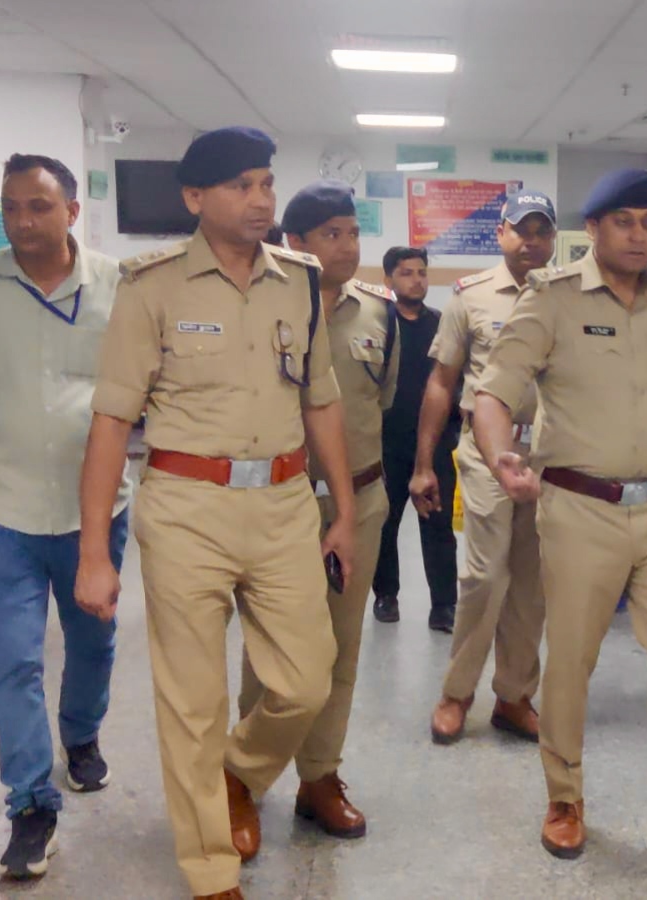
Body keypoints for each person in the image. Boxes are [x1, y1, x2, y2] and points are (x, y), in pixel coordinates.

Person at [73, 126, 358, 900]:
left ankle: (237, 772)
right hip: (186, 508)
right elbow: (111, 421)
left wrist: (342, 510)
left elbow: (322, 400)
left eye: (266, 183)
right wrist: (94, 553)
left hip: (284, 504)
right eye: (242, 186)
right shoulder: (151, 286)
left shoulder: (299, 281)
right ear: (195, 198)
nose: (261, 199)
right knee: (192, 701)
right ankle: (209, 868)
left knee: (305, 680)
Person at [471, 168, 647, 879]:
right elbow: (492, 395)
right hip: (579, 508)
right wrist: (501, 458)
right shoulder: (551, 298)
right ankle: (564, 798)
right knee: (573, 663)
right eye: (624, 222)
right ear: (591, 229)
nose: (639, 235)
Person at [0, 153, 131, 881]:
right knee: (14, 659)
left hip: (94, 510)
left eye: (38, 206)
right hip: (3, 507)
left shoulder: (117, 285)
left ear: (71, 211)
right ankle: (30, 804)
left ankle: (81, 734)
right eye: (10, 207)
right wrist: (13, 421)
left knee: (93, 642)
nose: (22, 221)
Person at [228, 179, 399, 840]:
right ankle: (243, 779)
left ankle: (320, 776)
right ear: (293, 242)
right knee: (270, 649)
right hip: (278, 501)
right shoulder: (260, 308)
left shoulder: (379, 313)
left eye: (354, 232)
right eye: (332, 234)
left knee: (341, 647)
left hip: (361, 499)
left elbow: (379, 402)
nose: (348, 246)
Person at [411, 191, 557, 745]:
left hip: (549, 456)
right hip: (485, 453)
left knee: (533, 582)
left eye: (542, 231)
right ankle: (457, 693)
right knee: (486, 576)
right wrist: (424, 464)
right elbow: (442, 382)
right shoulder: (470, 297)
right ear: (501, 233)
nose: (532, 242)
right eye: (522, 230)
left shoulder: (566, 297)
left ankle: (513, 696)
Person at [374, 246, 460, 631]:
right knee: (385, 523)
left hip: (435, 444)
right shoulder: (379, 324)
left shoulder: (442, 325)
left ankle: (443, 606)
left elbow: (455, 380)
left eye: (422, 272)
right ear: (389, 279)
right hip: (387, 443)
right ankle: (386, 596)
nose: (417, 280)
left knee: (438, 526)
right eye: (406, 273)